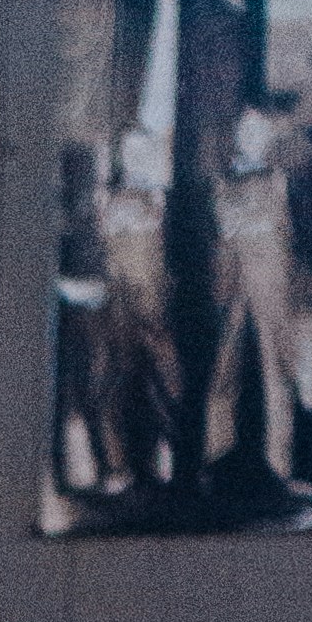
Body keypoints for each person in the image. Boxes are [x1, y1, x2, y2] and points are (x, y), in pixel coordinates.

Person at [204, 102, 305, 485]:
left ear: (269, 139)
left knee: (277, 373)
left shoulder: (281, 179)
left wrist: (246, 223)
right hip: (230, 287)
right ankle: (215, 458)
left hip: (272, 288)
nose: (251, 139)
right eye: (245, 131)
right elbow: (226, 221)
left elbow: (278, 226)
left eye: (259, 132)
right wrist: (252, 223)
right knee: (222, 374)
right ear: (236, 136)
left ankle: (280, 466)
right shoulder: (220, 181)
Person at [96, 123, 179, 492]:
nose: (135, 157)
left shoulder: (162, 197)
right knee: (117, 382)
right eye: (129, 151)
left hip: (156, 309)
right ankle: (121, 466)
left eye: (142, 151)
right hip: (118, 309)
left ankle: (171, 464)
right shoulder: (106, 197)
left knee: (165, 382)